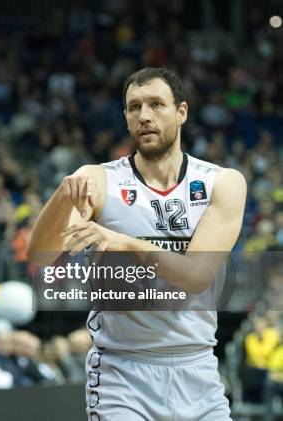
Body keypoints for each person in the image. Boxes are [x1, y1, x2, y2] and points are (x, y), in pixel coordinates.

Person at [27, 67, 246, 420]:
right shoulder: (98, 180)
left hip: (198, 370)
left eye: (156, 104)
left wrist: (124, 242)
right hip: (122, 374)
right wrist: (62, 197)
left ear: (182, 112)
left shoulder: (223, 183)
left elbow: (196, 276)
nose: (144, 116)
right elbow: (40, 255)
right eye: (134, 107)